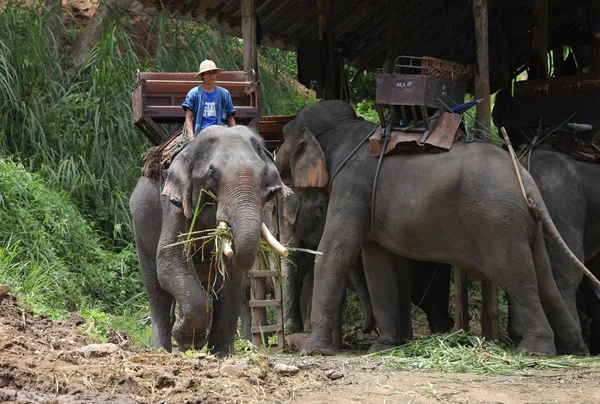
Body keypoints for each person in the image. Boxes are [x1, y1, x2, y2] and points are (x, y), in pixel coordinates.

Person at [182, 59, 236, 141]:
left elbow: (230, 117)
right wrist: (191, 135)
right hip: (201, 132)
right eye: (208, 73)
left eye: (213, 73)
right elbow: (188, 117)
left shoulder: (224, 94)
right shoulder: (194, 94)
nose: (212, 76)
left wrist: (235, 134)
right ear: (202, 76)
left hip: (221, 131)